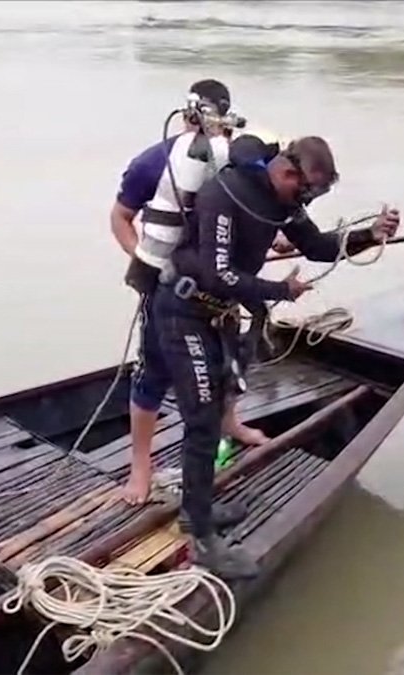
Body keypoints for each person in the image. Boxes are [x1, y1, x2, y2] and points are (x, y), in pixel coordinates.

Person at [153, 135, 400, 579]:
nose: (306, 200)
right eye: (307, 191)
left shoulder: (281, 200)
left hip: (217, 314)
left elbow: (317, 246)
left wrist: (369, 234)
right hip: (183, 311)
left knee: (215, 408)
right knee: (204, 418)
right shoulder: (223, 195)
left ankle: (197, 510)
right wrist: (279, 291)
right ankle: (203, 540)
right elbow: (219, 273)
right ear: (289, 172)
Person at [110, 79, 276, 506]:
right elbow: (120, 218)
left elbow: (252, 218)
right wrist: (150, 262)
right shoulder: (155, 162)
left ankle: (231, 422)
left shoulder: (234, 166)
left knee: (229, 360)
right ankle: (140, 467)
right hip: (168, 291)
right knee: (153, 373)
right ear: (186, 116)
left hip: (221, 289)